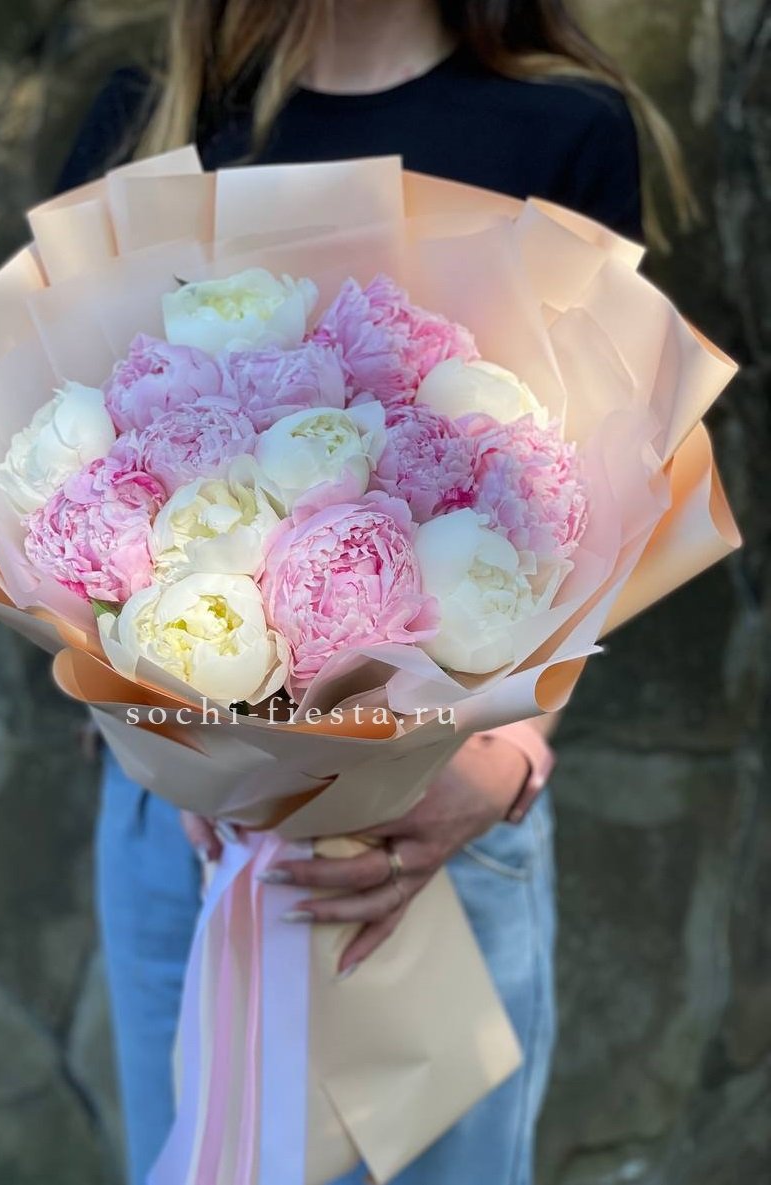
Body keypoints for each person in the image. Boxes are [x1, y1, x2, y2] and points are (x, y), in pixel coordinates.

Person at [55, 3, 692, 1182]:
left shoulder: (561, 129)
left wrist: (505, 763)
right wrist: (168, 740)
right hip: (183, 829)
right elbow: (76, 483)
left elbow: (593, 496)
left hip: (444, 813)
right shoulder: (149, 125)